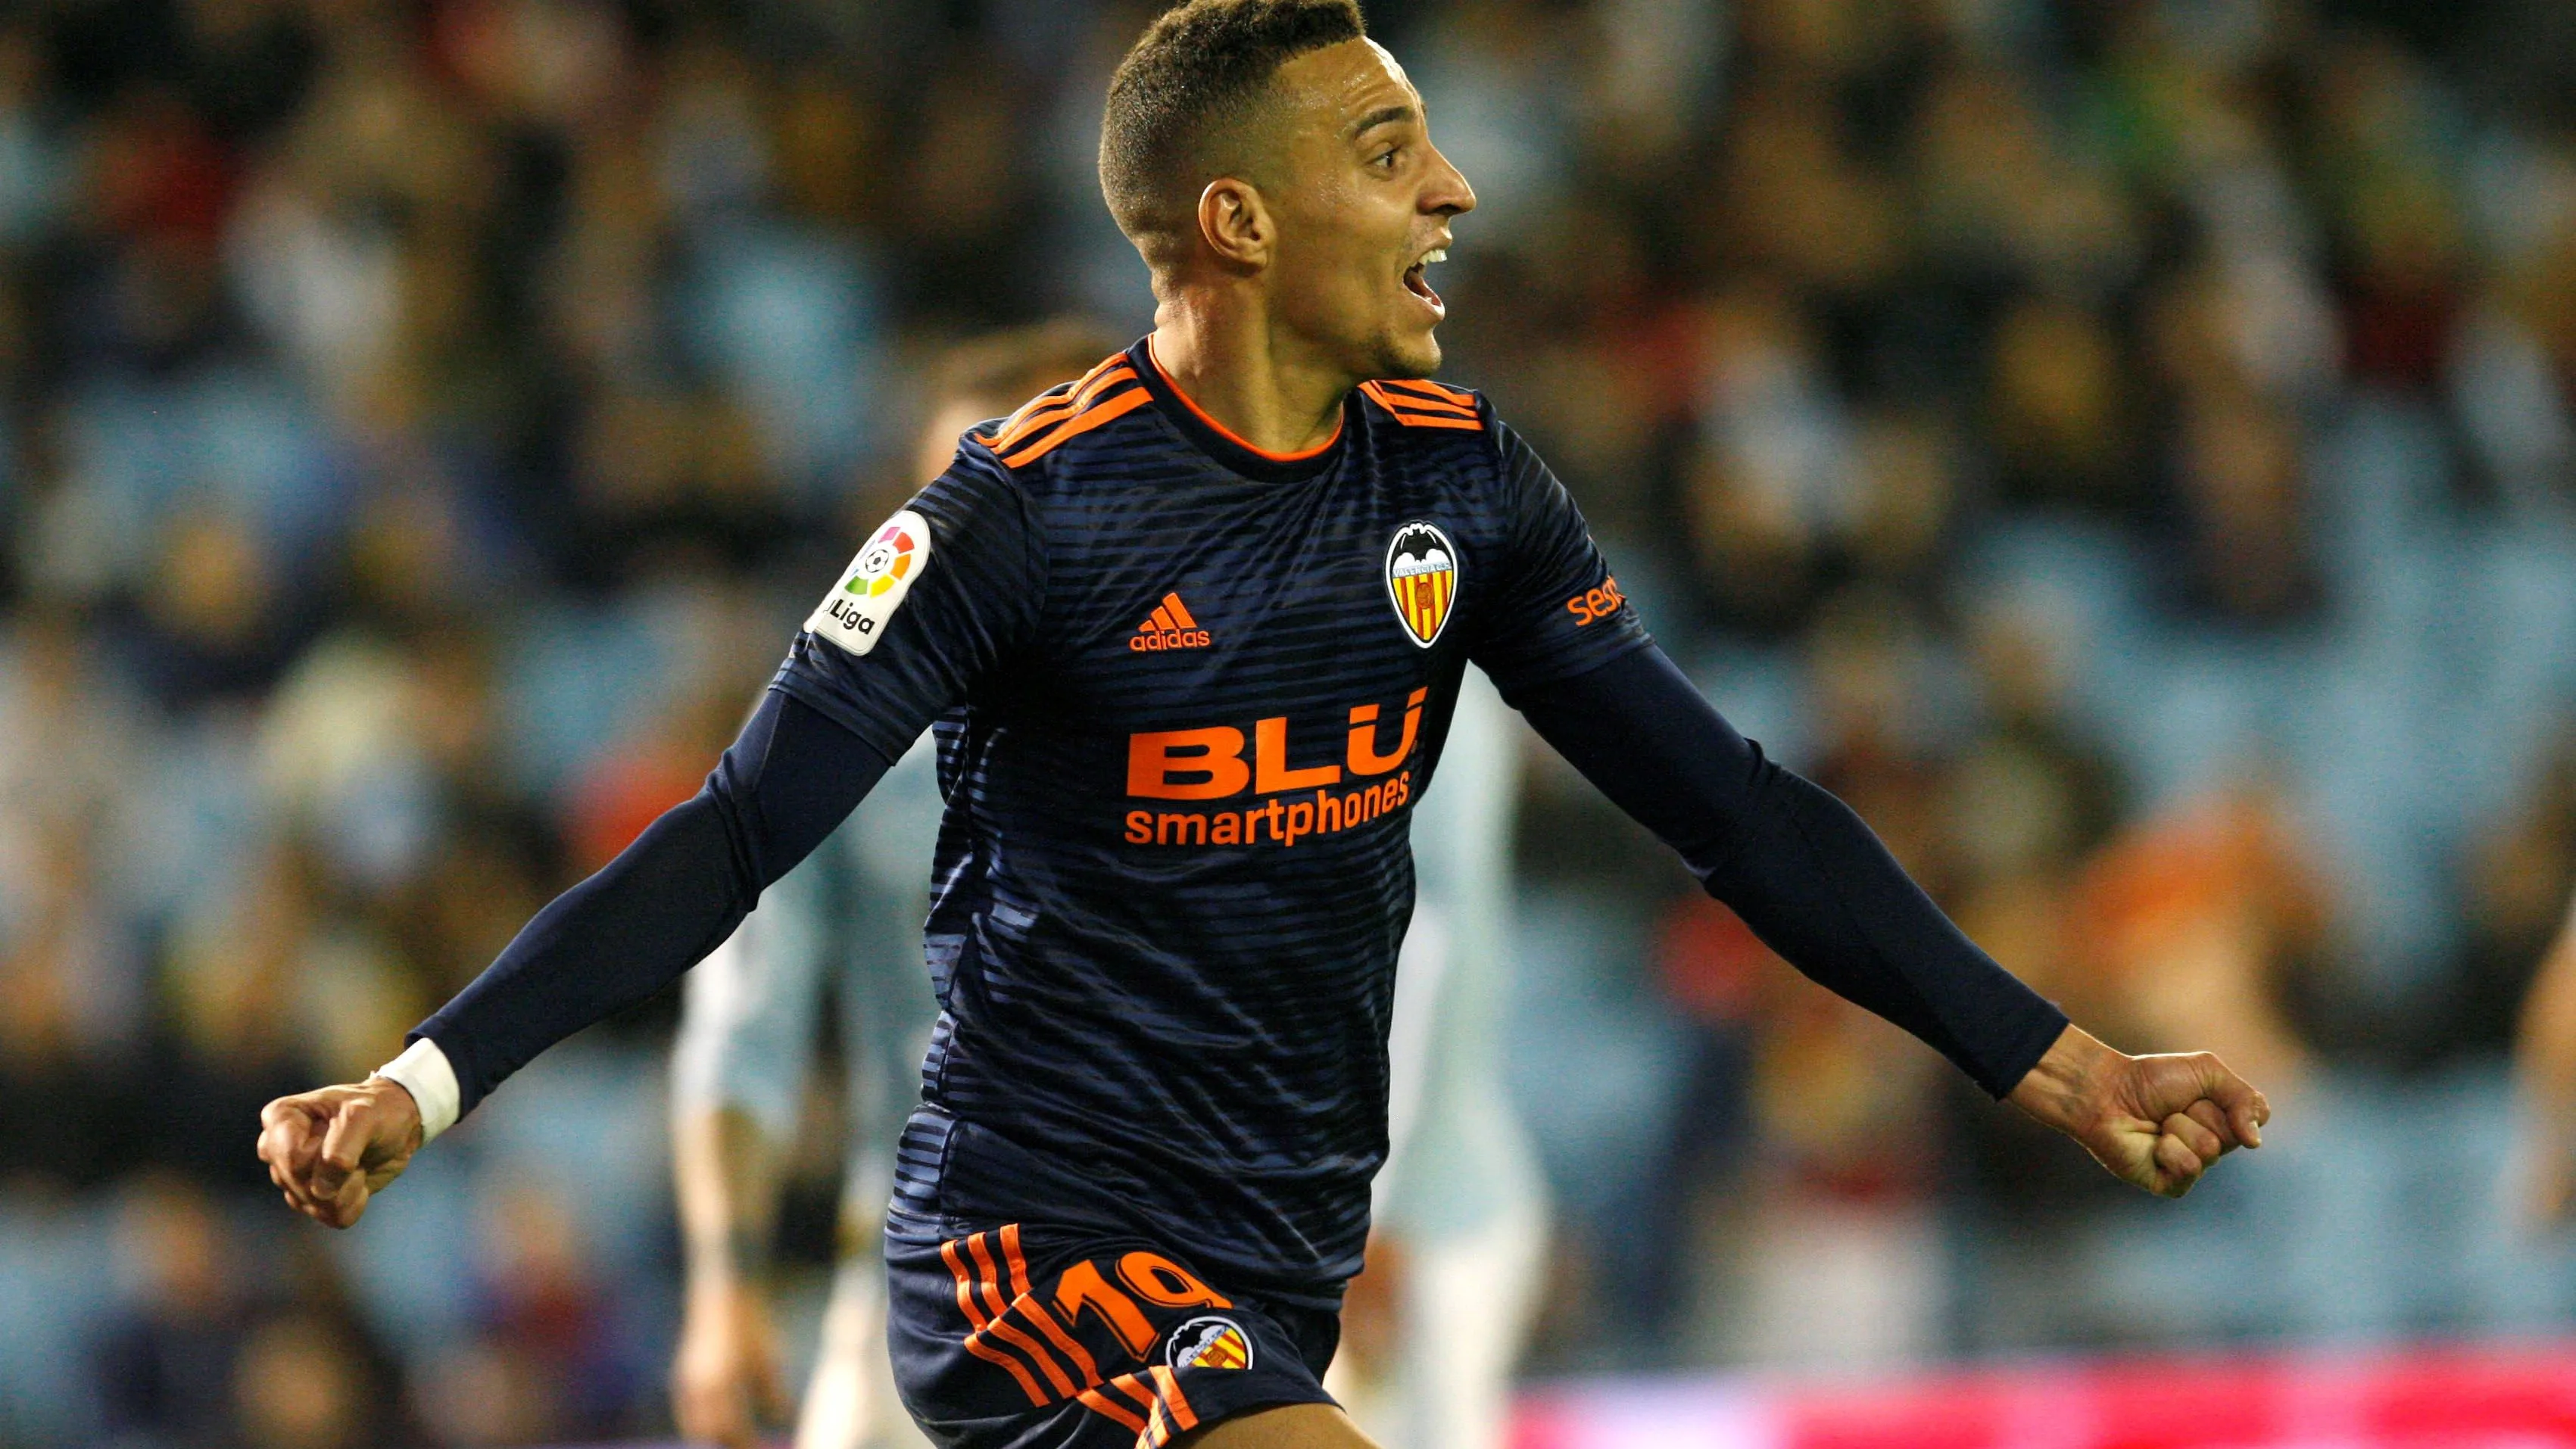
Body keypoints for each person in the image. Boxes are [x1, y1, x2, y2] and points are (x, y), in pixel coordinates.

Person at [259, 5, 2272, 1447]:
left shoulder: (1466, 483)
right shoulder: (1019, 516)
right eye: (1391, 152)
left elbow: (1732, 812)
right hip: (1036, 1256)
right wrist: (421, 1087)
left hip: (1286, 1247)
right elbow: (726, 839)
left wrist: (2053, 1060)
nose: (1456, 189)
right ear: (1234, 219)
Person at [669, 323, 1121, 1449]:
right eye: (969, 486)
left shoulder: (1245, 713)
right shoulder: (840, 743)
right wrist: (726, 1283)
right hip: (929, 1282)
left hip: (1182, 1268)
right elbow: (744, 1031)